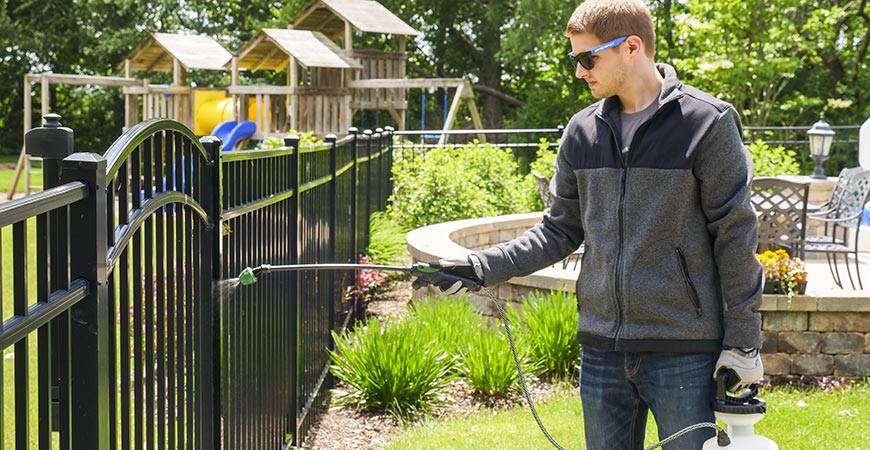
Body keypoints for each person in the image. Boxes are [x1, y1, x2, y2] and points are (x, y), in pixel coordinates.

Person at [412, 0, 765, 448]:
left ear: (632, 46)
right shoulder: (582, 131)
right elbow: (559, 229)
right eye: (575, 59)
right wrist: (482, 265)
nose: (579, 71)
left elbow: (735, 236)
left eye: (587, 58)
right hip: (601, 350)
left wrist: (743, 342)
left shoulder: (706, 123)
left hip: (685, 350)